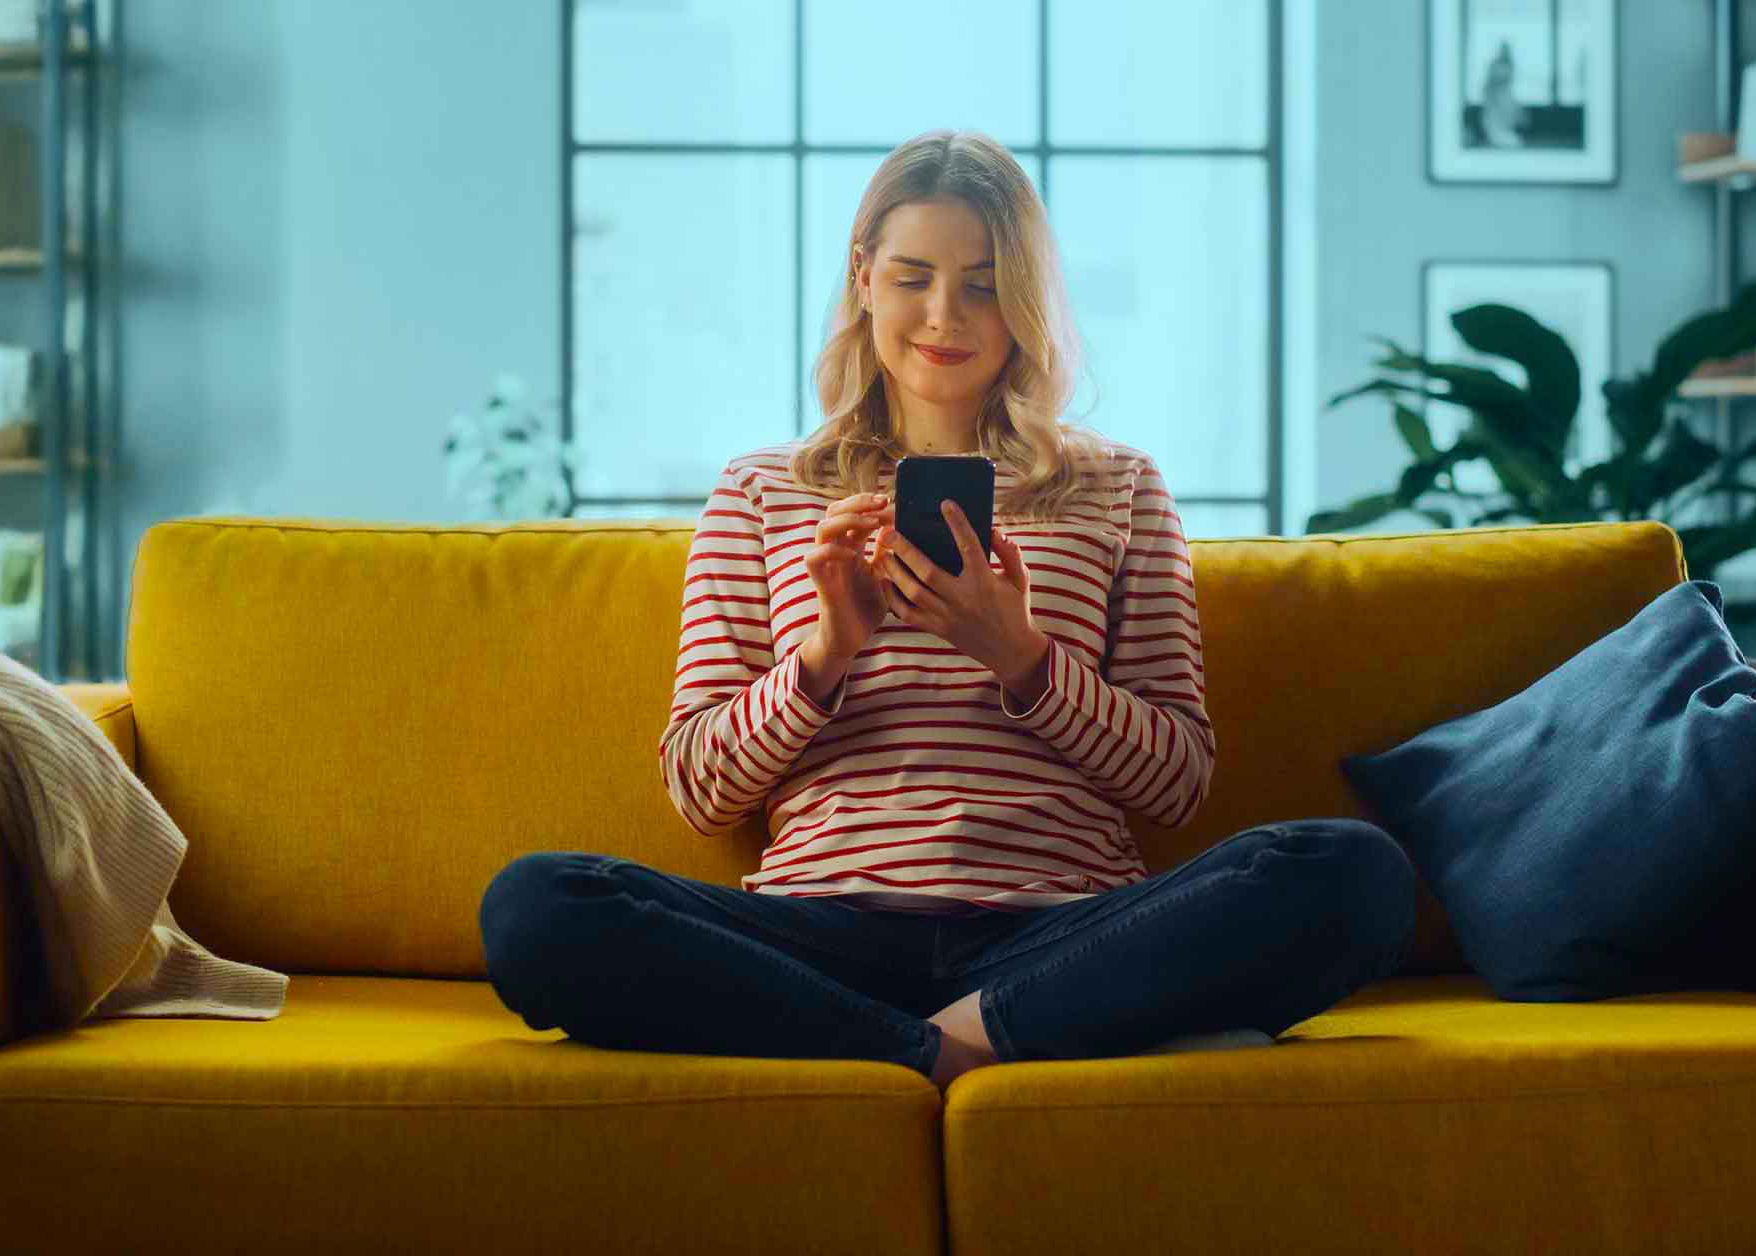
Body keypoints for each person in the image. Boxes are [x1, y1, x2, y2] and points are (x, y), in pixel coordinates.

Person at [474, 130, 1414, 1086]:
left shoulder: (1119, 485)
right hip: (820, 930)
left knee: (1352, 874)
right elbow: (700, 790)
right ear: (865, 277)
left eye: (982, 282)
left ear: (1026, 299)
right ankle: (962, 1048)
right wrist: (824, 656)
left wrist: (1023, 660)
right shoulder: (760, 490)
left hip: (1058, 931)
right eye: (913, 275)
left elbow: (1175, 783)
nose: (943, 314)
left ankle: (925, 1039)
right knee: (537, 907)